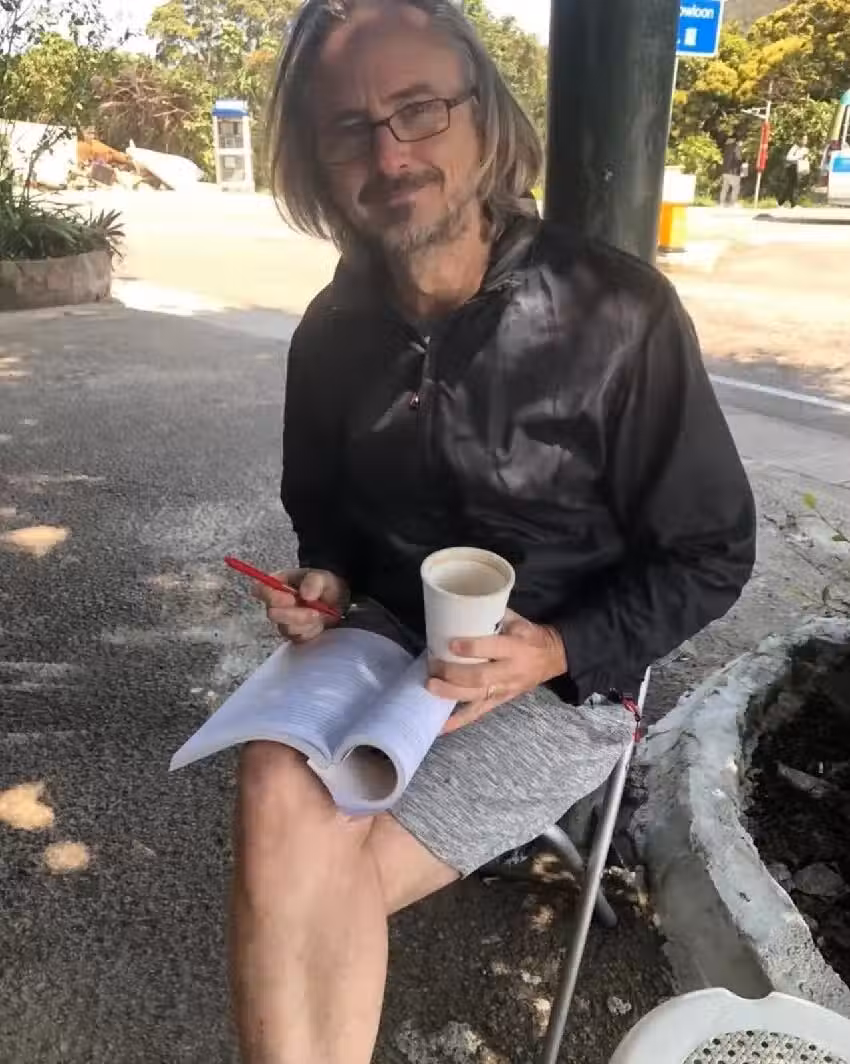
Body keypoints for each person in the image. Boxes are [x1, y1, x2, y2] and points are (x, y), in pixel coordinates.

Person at [229, 2, 757, 1061]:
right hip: (384, 644)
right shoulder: (331, 332)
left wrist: (556, 647)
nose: (391, 154)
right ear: (316, 161)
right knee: (274, 784)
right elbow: (321, 509)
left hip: (559, 681)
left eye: (419, 108)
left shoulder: (618, 314)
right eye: (349, 128)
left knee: (306, 876)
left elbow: (712, 551)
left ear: (483, 118)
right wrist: (324, 579)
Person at [780, 135, 810, 207]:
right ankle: (792, 203)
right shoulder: (795, 148)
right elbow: (788, 158)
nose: (805, 141)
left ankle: (784, 201)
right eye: (804, 139)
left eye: (806, 139)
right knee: (792, 186)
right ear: (799, 140)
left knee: (794, 186)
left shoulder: (805, 149)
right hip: (792, 168)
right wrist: (799, 157)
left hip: (800, 168)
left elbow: (805, 160)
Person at [720, 134, 744, 207]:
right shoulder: (736, 147)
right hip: (734, 172)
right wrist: (743, 170)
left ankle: (721, 203)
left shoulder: (726, 147)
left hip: (725, 171)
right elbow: (738, 159)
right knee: (736, 188)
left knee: (724, 188)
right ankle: (733, 203)